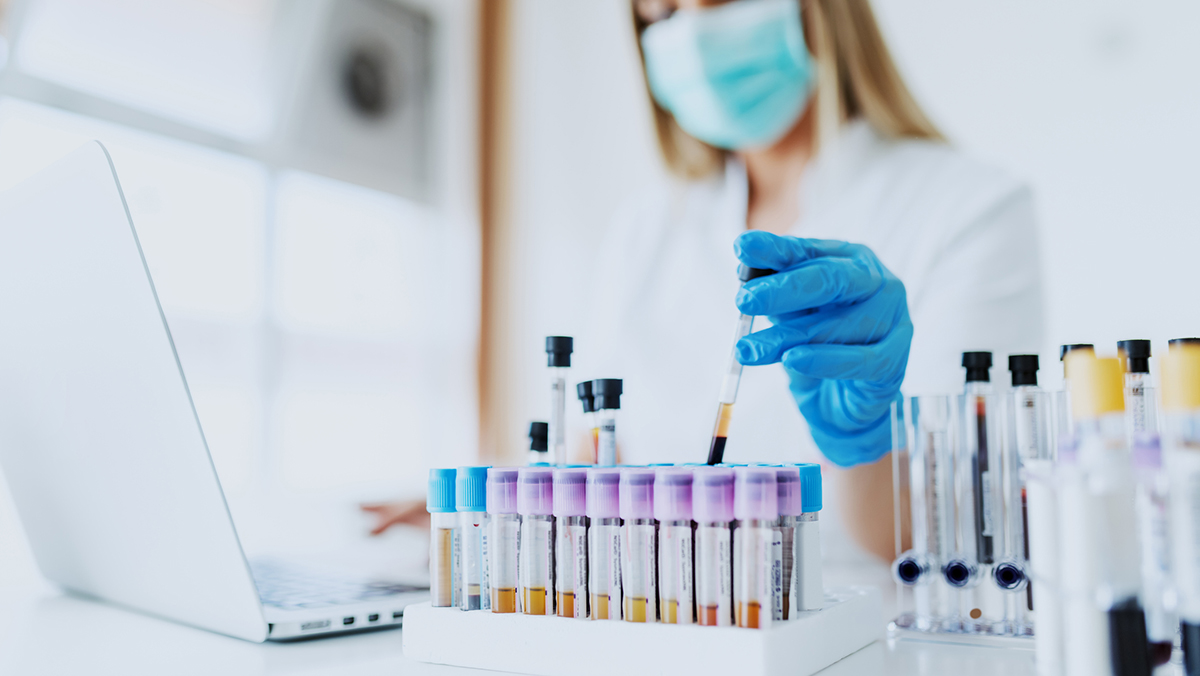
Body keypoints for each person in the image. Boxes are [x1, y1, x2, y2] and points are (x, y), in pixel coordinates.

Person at [367, 0, 1043, 562]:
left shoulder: (971, 209)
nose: (687, 33)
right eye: (660, 10)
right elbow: (593, 456)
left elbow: (940, 535)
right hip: (645, 622)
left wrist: (862, 441)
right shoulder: (647, 228)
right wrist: (487, 512)